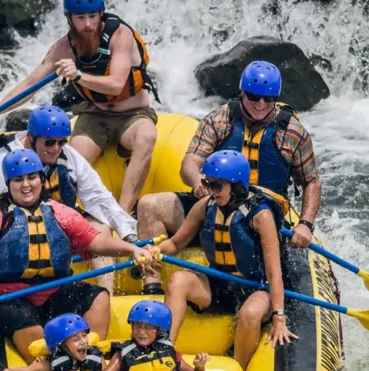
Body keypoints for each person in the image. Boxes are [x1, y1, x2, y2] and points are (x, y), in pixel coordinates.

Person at [135, 61, 323, 294]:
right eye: (254, 96)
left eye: (269, 98)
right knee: (149, 205)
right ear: (242, 92)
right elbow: (190, 161)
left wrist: (305, 224)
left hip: (259, 215)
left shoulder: (293, 132)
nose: (261, 104)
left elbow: (311, 181)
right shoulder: (220, 119)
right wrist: (197, 183)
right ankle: (151, 285)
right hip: (217, 201)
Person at [0, 149, 153, 364]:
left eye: (32, 177)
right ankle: (50, 368)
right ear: (8, 184)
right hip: (5, 297)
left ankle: (90, 358)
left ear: (41, 180)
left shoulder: (60, 213)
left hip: (51, 292)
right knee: (25, 319)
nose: (26, 185)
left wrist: (132, 249)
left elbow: (96, 242)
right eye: (18, 180)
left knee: (98, 296)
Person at [0, 0, 159, 214]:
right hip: (93, 115)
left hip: (133, 115)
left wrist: (78, 75)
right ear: (70, 19)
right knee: (66, 160)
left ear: (101, 15)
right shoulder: (63, 47)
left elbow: (116, 84)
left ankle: (124, 214)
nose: (88, 24)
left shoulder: (120, 35)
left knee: (146, 136)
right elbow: (29, 85)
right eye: (80, 18)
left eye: (92, 16)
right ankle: (53, 216)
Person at [152, 151, 298, 371]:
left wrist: (279, 316)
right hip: (220, 284)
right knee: (178, 280)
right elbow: (174, 244)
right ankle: (165, 355)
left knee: (249, 313)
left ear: (237, 186)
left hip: (256, 287)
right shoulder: (206, 205)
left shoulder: (261, 216)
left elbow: (274, 271)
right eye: (208, 184)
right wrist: (153, 251)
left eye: (217, 186)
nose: (211, 191)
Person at [0, 105, 138, 291]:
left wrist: (128, 234)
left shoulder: (68, 156)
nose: (56, 148)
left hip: (60, 222)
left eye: (62, 142)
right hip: (16, 228)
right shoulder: (3, 161)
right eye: (50, 142)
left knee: (101, 227)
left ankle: (105, 297)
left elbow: (99, 198)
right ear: (32, 138)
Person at [94, 300, 209, 371]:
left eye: (148, 327)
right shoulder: (122, 353)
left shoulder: (168, 350)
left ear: (159, 330)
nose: (142, 332)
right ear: (132, 327)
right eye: (138, 326)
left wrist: (199, 367)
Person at [0, 313, 107, 371]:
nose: (83, 342)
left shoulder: (96, 359)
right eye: (75, 339)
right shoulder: (47, 366)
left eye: (84, 335)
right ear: (60, 347)